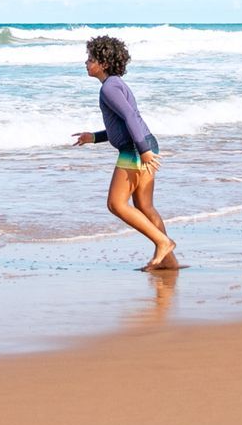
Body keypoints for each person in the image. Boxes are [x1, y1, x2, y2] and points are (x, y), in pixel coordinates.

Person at [70, 35, 175, 270]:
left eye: (90, 58)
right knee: (144, 207)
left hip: (136, 149)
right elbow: (122, 124)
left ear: (103, 63)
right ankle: (169, 262)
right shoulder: (114, 85)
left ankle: (163, 242)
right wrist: (94, 137)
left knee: (116, 204)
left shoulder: (109, 88)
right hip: (143, 144)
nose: (86, 63)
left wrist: (144, 151)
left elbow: (130, 117)